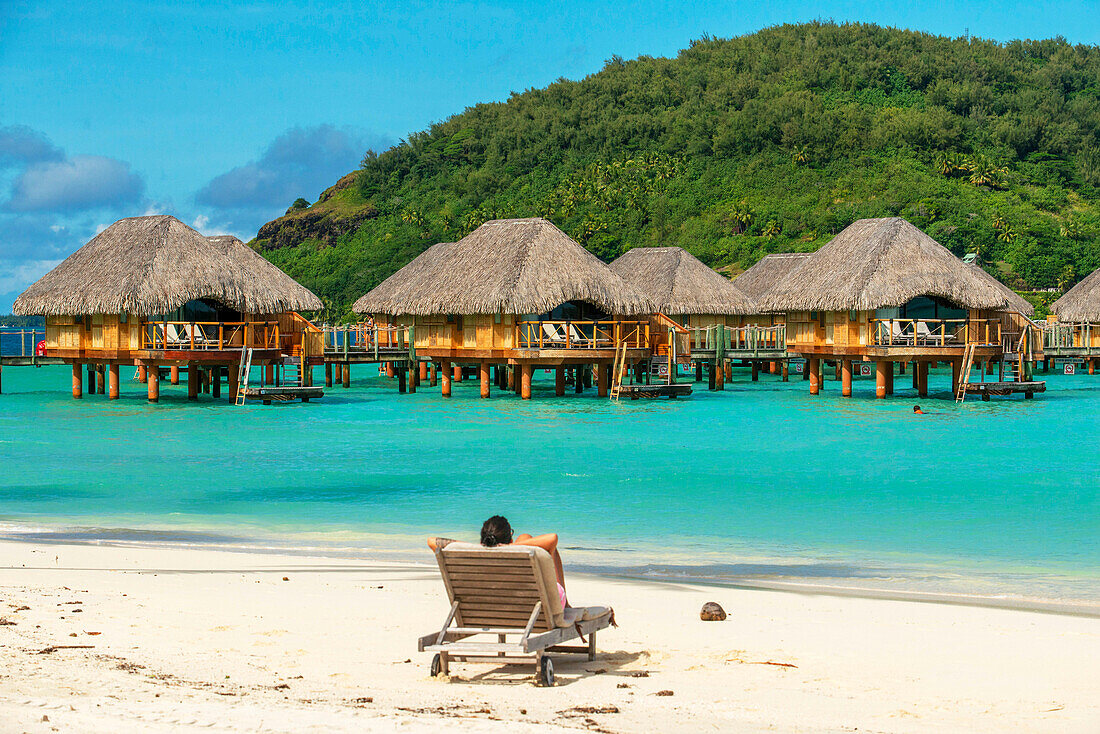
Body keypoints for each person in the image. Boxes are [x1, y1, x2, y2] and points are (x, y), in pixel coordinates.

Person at [428, 515, 568, 607]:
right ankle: (566, 603)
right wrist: (509, 547)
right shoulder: (514, 549)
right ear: (509, 539)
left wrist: (480, 547)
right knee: (526, 538)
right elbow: (552, 538)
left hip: (487, 608)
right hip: (530, 607)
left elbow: (431, 541)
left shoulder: (473, 554)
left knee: (524, 537)